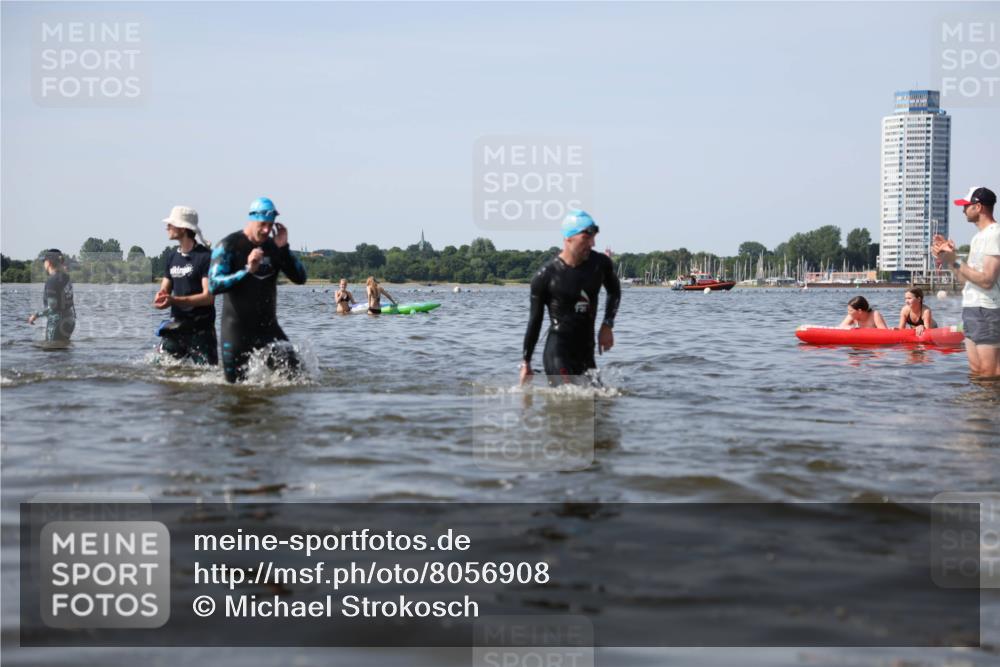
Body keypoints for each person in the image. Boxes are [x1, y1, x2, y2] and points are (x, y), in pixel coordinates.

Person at [208, 197, 307, 383]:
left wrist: (284, 248)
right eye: (262, 224)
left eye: (270, 225)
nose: (266, 230)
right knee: (235, 389)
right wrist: (247, 270)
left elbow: (300, 278)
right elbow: (213, 285)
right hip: (236, 331)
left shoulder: (273, 247)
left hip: (268, 329)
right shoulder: (229, 246)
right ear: (251, 218)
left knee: (301, 379)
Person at [521, 210, 621, 384]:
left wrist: (607, 325)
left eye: (594, 238)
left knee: (598, 402)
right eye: (586, 238)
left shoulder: (600, 265)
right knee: (569, 399)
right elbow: (535, 322)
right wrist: (526, 362)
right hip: (558, 351)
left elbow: (614, 291)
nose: (592, 243)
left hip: (586, 351)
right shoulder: (545, 276)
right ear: (569, 238)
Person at [932, 186, 1000, 378]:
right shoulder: (978, 237)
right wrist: (948, 258)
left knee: (990, 372)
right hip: (972, 307)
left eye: (966, 206)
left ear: (978, 207)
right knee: (977, 371)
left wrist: (954, 259)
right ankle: (976, 408)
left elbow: (987, 280)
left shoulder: (994, 234)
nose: (963, 210)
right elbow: (964, 278)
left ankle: (990, 408)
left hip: (988, 308)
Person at [153, 206, 217, 364]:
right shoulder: (172, 256)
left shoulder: (205, 257)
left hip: (201, 331)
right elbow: (164, 289)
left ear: (183, 229)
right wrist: (160, 298)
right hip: (176, 328)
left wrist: (174, 300)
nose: (167, 227)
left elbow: (208, 297)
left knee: (210, 378)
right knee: (158, 370)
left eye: (171, 224)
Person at [27, 249, 76, 343]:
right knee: (64, 353)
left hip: (57, 322)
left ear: (48, 262)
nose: (43, 263)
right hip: (70, 319)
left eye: (44, 261)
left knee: (51, 352)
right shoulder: (66, 277)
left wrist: (35, 315)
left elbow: (52, 308)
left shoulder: (52, 281)